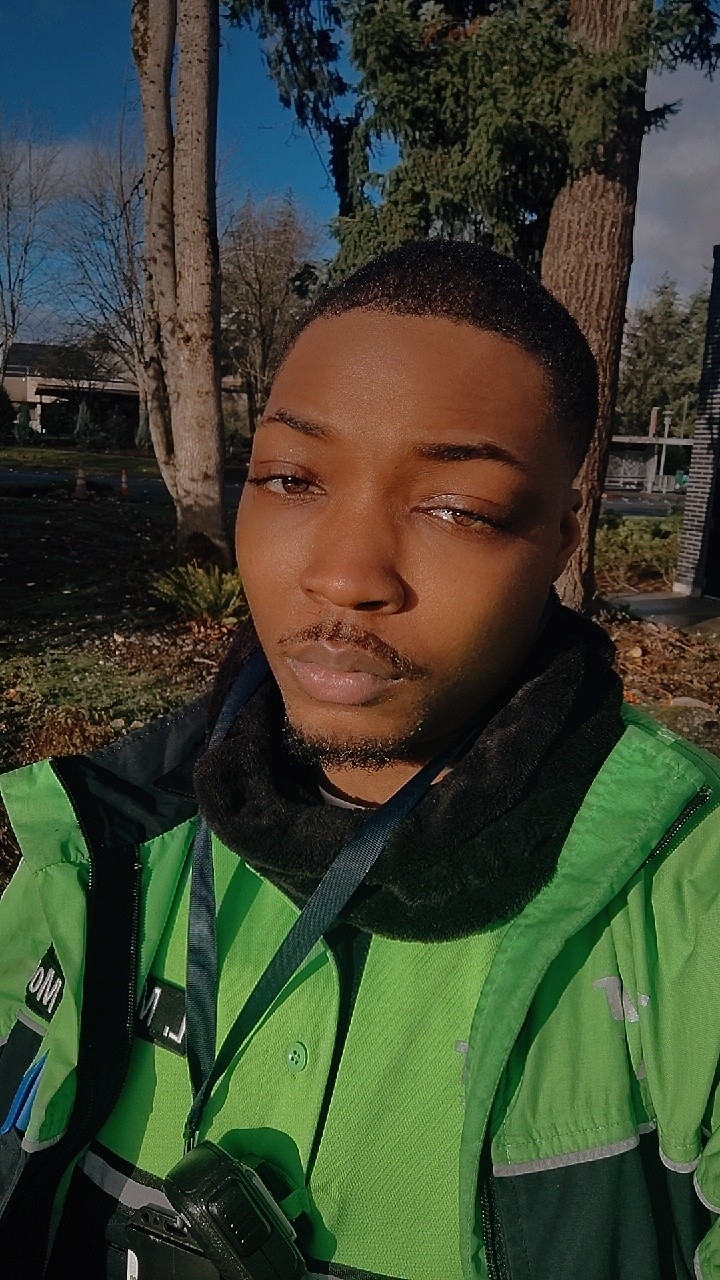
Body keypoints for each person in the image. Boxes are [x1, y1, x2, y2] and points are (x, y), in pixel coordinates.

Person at [1, 240, 719, 1280]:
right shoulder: (104, 849)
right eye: (292, 478)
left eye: (458, 508)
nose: (345, 575)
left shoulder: (685, 899)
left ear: (566, 534)